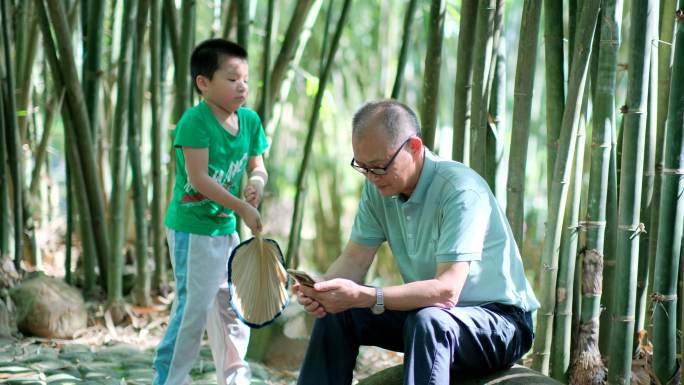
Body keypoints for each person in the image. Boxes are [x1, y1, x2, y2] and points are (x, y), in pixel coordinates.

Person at [294, 100, 540, 385]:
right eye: (363, 168)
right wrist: (322, 291)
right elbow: (354, 259)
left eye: (378, 167)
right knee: (339, 313)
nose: (372, 178)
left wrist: (369, 295)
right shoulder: (378, 189)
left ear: (413, 147)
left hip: (499, 323)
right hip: (430, 316)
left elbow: (447, 290)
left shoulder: (460, 191)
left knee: (429, 322)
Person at [153, 39, 269, 385]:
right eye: (233, 79)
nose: (242, 86)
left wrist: (257, 184)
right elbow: (199, 179)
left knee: (231, 306)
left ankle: (235, 377)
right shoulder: (195, 122)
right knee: (193, 308)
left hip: (225, 229)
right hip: (192, 230)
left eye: (246, 79)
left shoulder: (249, 121)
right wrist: (243, 207)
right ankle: (168, 378)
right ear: (203, 83)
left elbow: (258, 166)